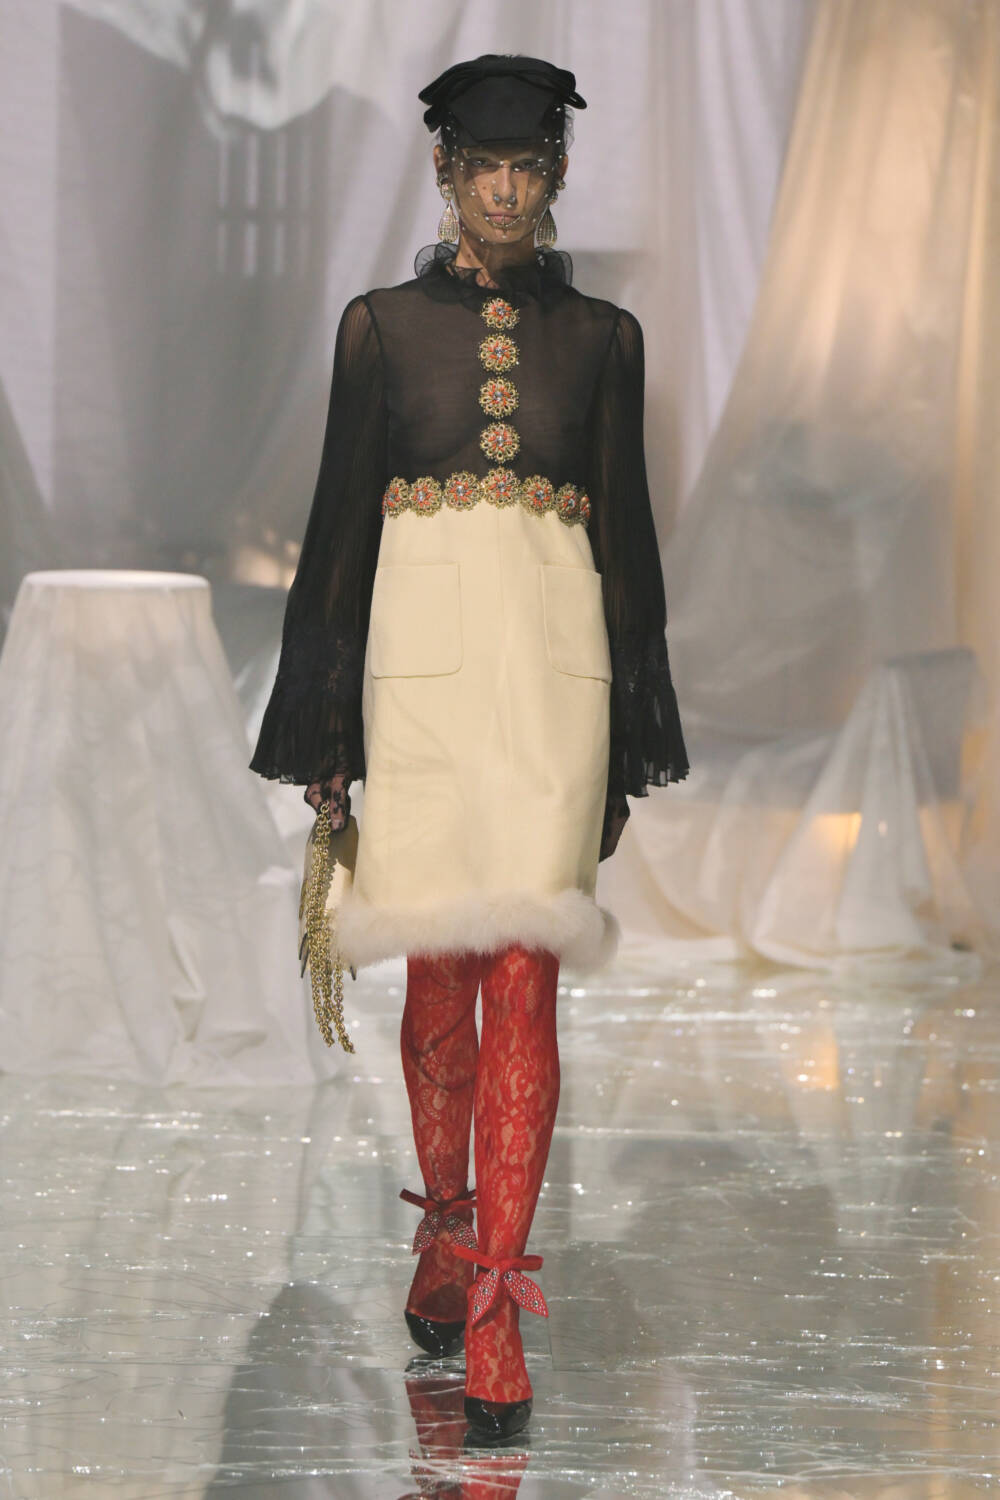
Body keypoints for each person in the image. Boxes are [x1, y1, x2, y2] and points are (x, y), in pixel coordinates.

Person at [249, 53, 689, 1441]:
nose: (506, 190)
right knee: (439, 975)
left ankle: (495, 1296)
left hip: (555, 683)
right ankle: (445, 1228)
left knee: (526, 972)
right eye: (484, 166)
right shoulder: (380, 329)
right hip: (420, 681)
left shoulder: (605, 339)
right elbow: (338, 534)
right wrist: (324, 724)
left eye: (529, 166)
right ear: (445, 173)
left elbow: (628, 545)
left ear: (556, 175)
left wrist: (632, 729)